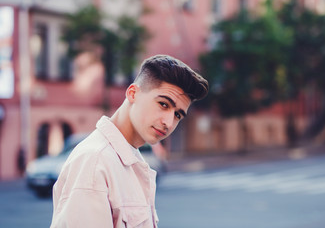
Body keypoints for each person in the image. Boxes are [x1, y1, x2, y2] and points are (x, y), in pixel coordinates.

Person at [50, 54, 209, 227]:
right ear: (133, 93)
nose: (168, 122)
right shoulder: (95, 160)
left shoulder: (129, 158)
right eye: (163, 104)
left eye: (177, 115)